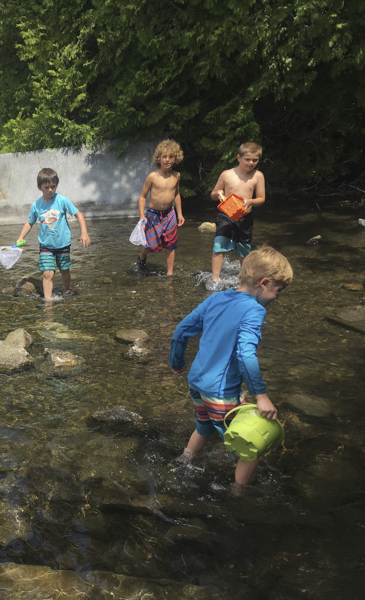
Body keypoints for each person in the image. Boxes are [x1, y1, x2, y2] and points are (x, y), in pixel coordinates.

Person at [170, 245, 293, 491]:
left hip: (196, 381)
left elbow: (182, 329)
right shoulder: (254, 310)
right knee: (249, 446)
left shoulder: (216, 298)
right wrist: (262, 396)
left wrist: (177, 361)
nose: (276, 298)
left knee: (203, 427)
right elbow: (246, 354)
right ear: (264, 282)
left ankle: (183, 462)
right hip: (221, 390)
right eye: (277, 291)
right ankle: (238, 496)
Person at [16, 168, 90, 301]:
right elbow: (29, 223)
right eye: (46, 187)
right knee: (47, 273)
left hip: (63, 244)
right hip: (46, 246)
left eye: (53, 186)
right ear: (39, 187)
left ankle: (67, 290)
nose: (50, 190)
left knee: (65, 270)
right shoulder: (36, 205)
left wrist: (84, 233)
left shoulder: (62, 201)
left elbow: (79, 214)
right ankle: (48, 302)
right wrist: (21, 237)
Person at [209, 141, 266, 288]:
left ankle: (244, 279)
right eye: (247, 159)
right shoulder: (227, 174)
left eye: (255, 160)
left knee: (244, 249)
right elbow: (213, 195)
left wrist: (250, 201)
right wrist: (218, 193)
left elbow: (261, 198)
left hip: (244, 217)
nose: (251, 163)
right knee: (219, 245)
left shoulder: (258, 176)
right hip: (225, 215)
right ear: (239, 157)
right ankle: (215, 279)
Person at [136, 139, 185, 275]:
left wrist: (179, 213)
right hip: (153, 214)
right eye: (164, 157)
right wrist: (142, 216)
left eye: (171, 157)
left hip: (170, 214)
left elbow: (176, 195)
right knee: (152, 244)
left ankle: (170, 273)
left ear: (176, 158)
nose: (167, 160)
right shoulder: (153, 176)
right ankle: (142, 256)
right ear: (159, 158)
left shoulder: (176, 176)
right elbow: (142, 197)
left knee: (170, 244)